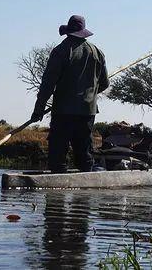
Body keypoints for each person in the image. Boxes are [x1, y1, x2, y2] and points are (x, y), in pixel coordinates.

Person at [31, 15, 108, 173]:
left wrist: (39, 109)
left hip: (63, 111)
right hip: (87, 111)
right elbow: (104, 83)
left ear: (68, 32)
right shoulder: (97, 53)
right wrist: (90, 94)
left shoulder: (61, 50)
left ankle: (57, 181)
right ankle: (85, 179)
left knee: (58, 153)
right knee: (84, 152)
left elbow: (48, 84)